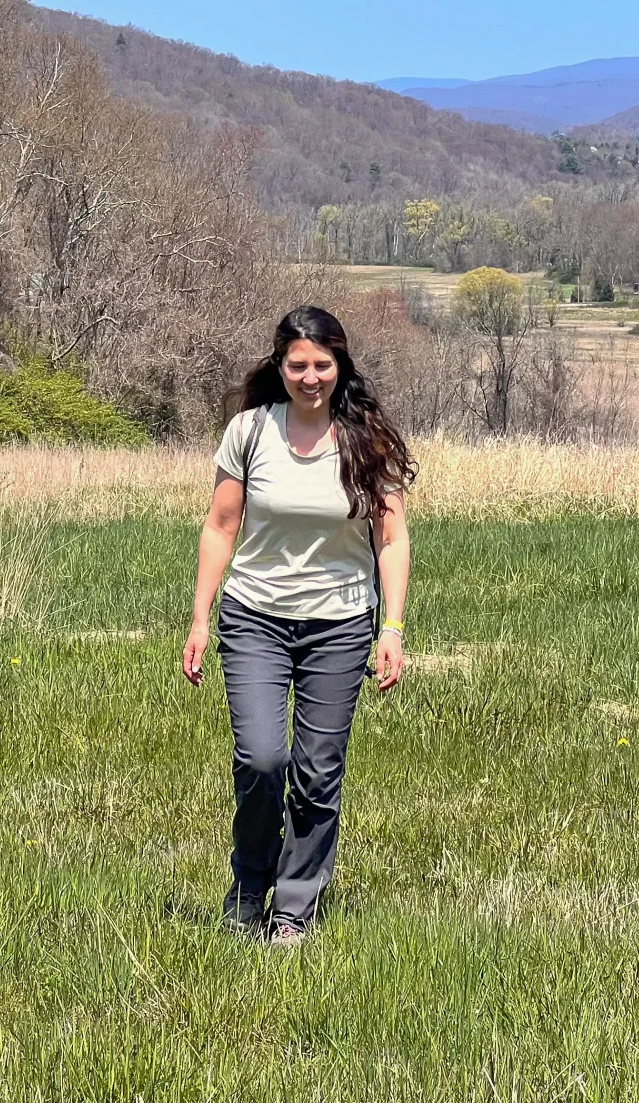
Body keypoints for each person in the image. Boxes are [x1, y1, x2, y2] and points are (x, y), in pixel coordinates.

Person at [182, 305, 414, 943]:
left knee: (317, 769)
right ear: (279, 367)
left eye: (322, 365)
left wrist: (390, 628)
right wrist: (201, 618)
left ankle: (293, 910)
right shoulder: (249, 431)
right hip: (254, 617)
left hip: (339, 625)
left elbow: (391, 539)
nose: (310, 377)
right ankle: (250, 886)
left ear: (340, 365)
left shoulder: (371, 440)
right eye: (297, 365)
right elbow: (220, 526)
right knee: (261, 759)